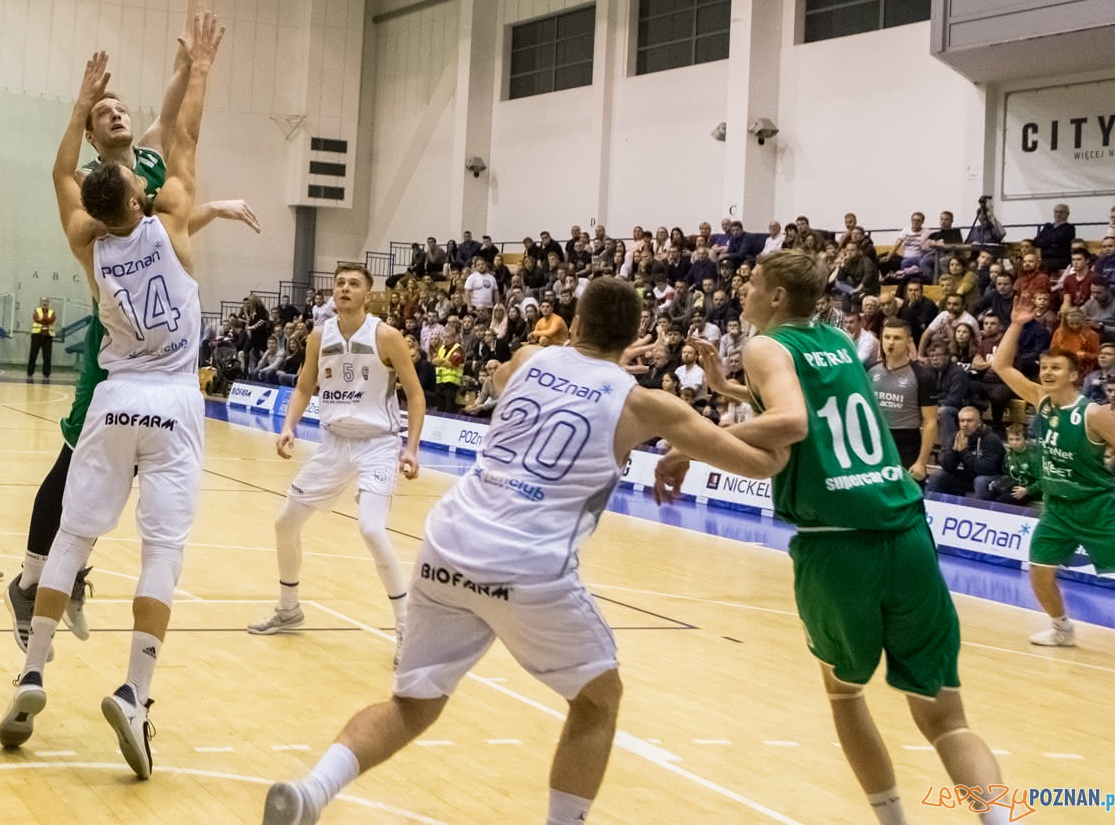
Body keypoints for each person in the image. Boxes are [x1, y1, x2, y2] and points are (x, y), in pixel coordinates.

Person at [261, 278, 786, 825]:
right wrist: (733, 399)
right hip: (527, 561)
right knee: (597, 700)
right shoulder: (647, 404)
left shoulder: (530, 357)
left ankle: (312, 791)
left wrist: (578, 360)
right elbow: (765, 463)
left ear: (575, 324)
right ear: (635, 338)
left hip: (448, 541)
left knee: (412, 705)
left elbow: (508, 374)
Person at [661, 251, 1013, 825]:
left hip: (837, 540)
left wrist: (690, 443)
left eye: (753, 283)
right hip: (906, 531)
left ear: (776, 297)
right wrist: (728, 389)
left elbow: (792, 426)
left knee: (845, 694)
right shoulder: (840, 343)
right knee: (948, 719)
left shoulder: (764, 345)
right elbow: (815, 410)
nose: (744, 291)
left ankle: (892, 820)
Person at [5, 0, 258, 645]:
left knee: (130, 460)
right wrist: (75, 103)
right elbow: (62, 173)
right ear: (91, 136)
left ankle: (65, 572)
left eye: (119, 106)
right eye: (102, 112)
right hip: (118, 347)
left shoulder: (148, 160)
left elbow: (182, 85)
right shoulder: (92, 187)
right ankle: (33, 579)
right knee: (76, 459)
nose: (116, 112)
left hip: (163, 335)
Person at [0, 16, 221, 775]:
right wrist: (199, 65)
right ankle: (135, 693)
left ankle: (31, 670)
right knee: (161, 550)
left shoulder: (85, 238)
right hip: (172, 404)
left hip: (113, 398)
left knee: (74, 538)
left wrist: (75, 110)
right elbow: (182, 134)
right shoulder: (175, 221)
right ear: (141, 195)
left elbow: (64, 179)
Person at [247, 263, 425, 658]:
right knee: (285, 523)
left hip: (377, 444)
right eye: (340, 283)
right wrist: (289, 426)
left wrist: (410, 448)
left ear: (367, 293)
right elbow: (305, 386)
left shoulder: (387, 336)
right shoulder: (318, 336)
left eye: (354, 284)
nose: (345, 289)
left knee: (372, 530)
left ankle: (407, 630)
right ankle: (289, 610)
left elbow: (414, 395)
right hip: (333, 444)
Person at [992, 302, 1115, 647]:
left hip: (1097, 507)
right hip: (1057, 508)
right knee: (1039, 571)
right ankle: (1062, 628)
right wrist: (1017, 324)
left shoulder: (1092, 413)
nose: (1046, 373)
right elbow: (1001, 365)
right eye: (1044, 367)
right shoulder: (1041, 400)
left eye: (1055, 368)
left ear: (1074, 375)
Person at [868, 317, 938, 483]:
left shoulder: (922, 376)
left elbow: (930, 422)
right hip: (874, 440)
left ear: (909, 341)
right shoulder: (871, 370)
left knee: (907, 497)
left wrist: (921, 462)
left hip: (906, 443)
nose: (891, 342)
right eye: (887, 337)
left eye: (897, 338)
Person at [929, 406, 1004, 497]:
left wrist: (964, 451)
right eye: (962, 421)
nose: (965, 424)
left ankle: (979, 510)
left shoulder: (991, 439)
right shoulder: (957, 437)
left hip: (994, 477)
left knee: (980, 481)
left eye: (969, 421)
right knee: (937, 476)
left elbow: (987, 469)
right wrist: (954, 451)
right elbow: (947, 467)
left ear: (979, 422)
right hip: (970, 476)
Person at [975, 421, 1041, 504]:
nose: (1014, 443)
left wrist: (1027, 490)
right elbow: (1006, 473)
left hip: (1030, 490)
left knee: (1003, 500)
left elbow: (1044, 481)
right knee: (988, 494)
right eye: (1011, 439)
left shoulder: (1033, 457)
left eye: (1018, 439)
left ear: (1025, 439)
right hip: (1014, 486)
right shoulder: (1009, 455)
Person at [27, 297, 56, 380]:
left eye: (46, 301)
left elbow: (51, 320)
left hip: (48, 337)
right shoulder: (36, 311)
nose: (45, 303)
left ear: (48, 303)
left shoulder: (52, 312)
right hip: (37, 335)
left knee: (47, 356)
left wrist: (42, 319)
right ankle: (30, 372)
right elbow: (36, 319)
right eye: (43, 301)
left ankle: (46, 374)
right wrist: (45, 320)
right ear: (41, 303)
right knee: (33, 355)